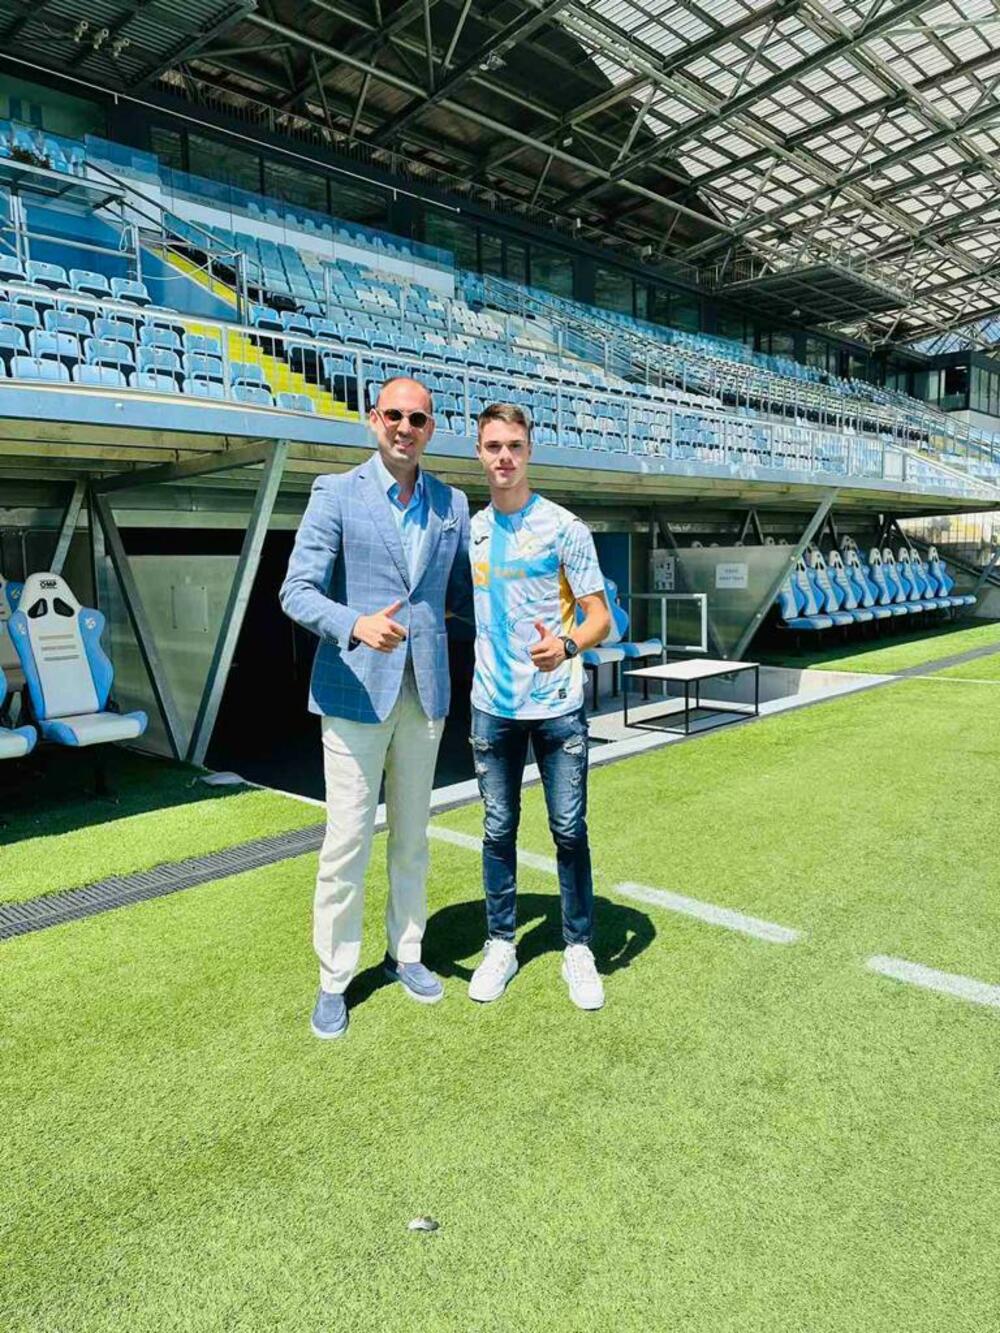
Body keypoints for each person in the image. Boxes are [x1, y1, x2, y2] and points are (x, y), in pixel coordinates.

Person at [280, 376, 472, 1040]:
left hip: (426, 694)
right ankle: (334, 978)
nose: (404, 427)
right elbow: (296, 591)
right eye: (394, 415)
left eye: (417, 418)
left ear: (430, 428)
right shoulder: (335, 493)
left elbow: (458, 597)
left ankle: (406, 952)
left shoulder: (452, 503)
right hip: (355, 692)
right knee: (347, 843)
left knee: (413, 838)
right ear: (373, 419)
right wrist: (354, 624)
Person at [466, 403, 611, 1011]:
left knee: (568, 830)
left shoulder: (564, 528)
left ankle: (579, 947)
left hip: (556, 708)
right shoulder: (471, 530)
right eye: (494, 446)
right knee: (498, 830)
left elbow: (600, 617)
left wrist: (568, 644)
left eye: (515, 446)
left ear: (530, 452)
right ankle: (501, 943)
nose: (504, 457)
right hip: (491, 706)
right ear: (479, 452)